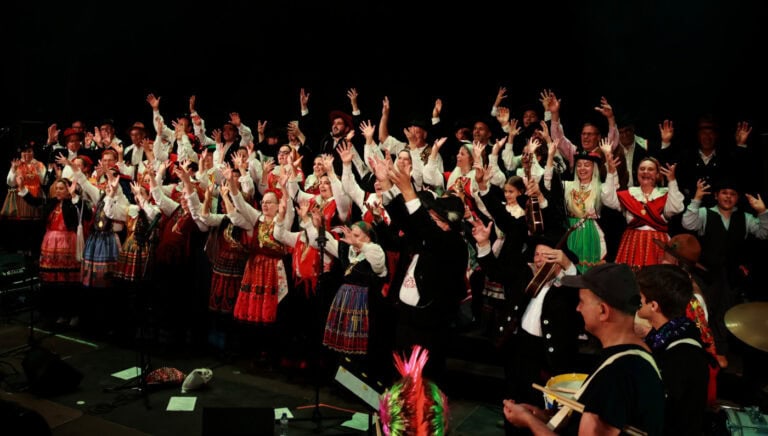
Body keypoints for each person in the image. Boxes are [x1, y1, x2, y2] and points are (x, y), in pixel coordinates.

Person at [503, 262, 664, 435]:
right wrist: (544, 418)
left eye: (581, 301)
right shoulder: (635, 354)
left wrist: (529, 421)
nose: (578, 308)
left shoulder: (617, 374)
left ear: (603, 311)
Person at [636, 264, 710, 436]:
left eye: (639, 296)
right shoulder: (675, 330)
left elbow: (660, 410)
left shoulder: (682, 355)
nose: (635, 300)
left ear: (653, 305)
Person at [601, 148, 684, 270]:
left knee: (657, 280)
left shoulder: (666, 194)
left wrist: (672, 181)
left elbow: (676, 208)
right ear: (637, 173)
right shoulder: (629, 194)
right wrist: (611, 172)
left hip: (658, 244)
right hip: (633, 244)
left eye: (650, 169)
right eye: (642, 169)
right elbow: (608, 200)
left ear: (657, 174)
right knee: (632, 281)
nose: (646, 172)